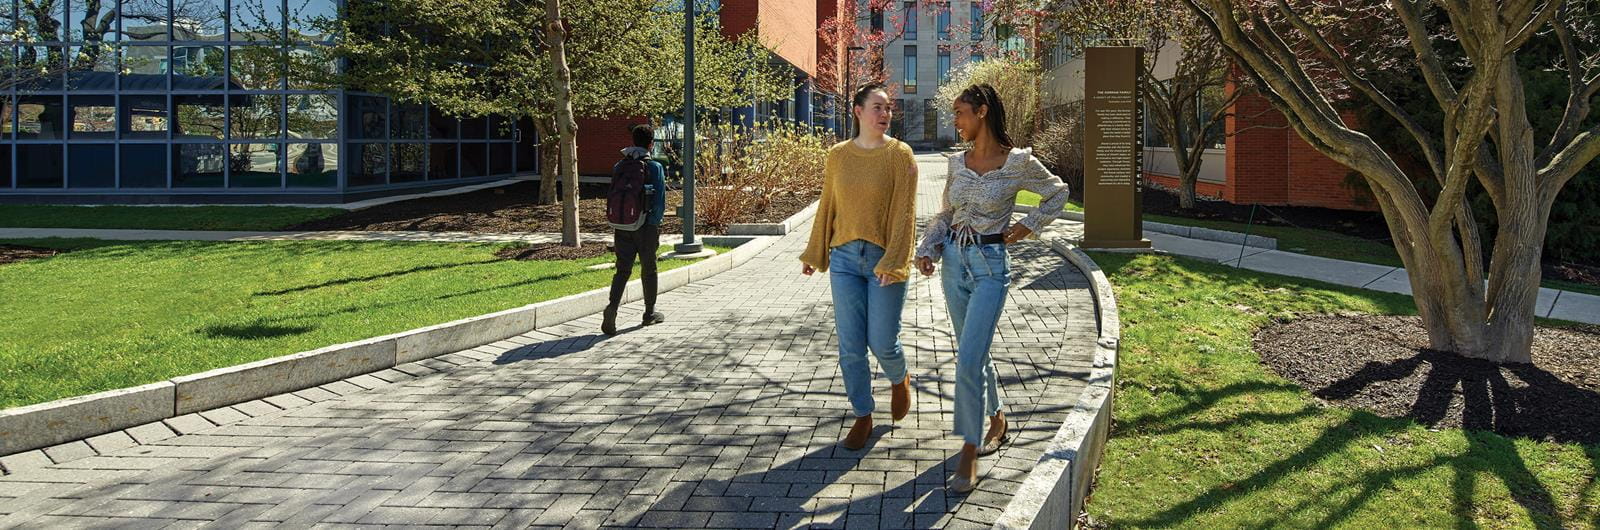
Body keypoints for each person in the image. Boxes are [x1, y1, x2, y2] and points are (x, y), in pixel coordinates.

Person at [914, 83, 1072, 493]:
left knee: (967, 359)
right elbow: (947, 213)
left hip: (990, 267)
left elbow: (1058, 192)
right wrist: (927, 247)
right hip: (954, 264)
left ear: (982, 112)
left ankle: (968, 450)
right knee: (973, 352)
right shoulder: (956, 163)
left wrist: (1028, 225)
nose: (956, 121)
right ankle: (997, 417)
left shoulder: (1017, 162)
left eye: (960, 112)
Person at [799, 83, 920, 451]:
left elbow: (905, 214)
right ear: (858, 111)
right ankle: (863, 414)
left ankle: (899, 379)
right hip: (845, 260)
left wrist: (895, 260)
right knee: (851, 346)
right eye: (877, 107)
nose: (884, 114)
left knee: (883, 342)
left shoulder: (901, 155)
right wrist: (815, 251)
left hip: (885, 260)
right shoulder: (838, 155)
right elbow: (828, 205)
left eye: (888, 109)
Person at [602, 124, 669, 336]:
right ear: (651, 144)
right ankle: (649, 313)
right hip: (646, 226)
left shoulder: (619, 165)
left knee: (622, 269)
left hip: (622, 224)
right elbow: (659, 201)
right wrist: (655, 222)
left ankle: (612, 308)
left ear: (633, 141)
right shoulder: (655, 167)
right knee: (649, 268)